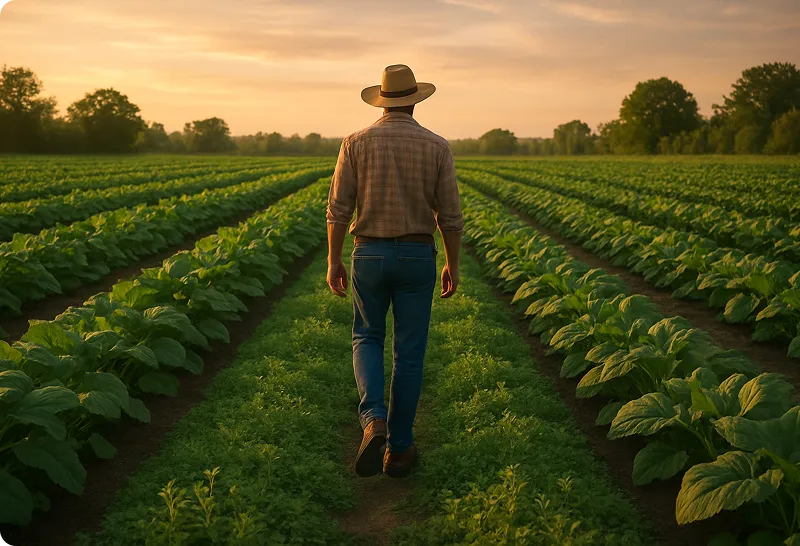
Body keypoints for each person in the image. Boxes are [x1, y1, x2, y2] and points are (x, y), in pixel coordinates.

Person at [326, 64, 464, 478]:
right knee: (410, 352)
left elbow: (337, 210)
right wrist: (452, 263)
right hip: (418, 256)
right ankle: (400, 450)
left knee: (367, 336)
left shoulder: (355, 143)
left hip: (368, 253)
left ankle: (373, 420)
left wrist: (333, 260)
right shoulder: (436, 146)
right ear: (415, 101)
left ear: (382, 101)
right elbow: (451, 216)